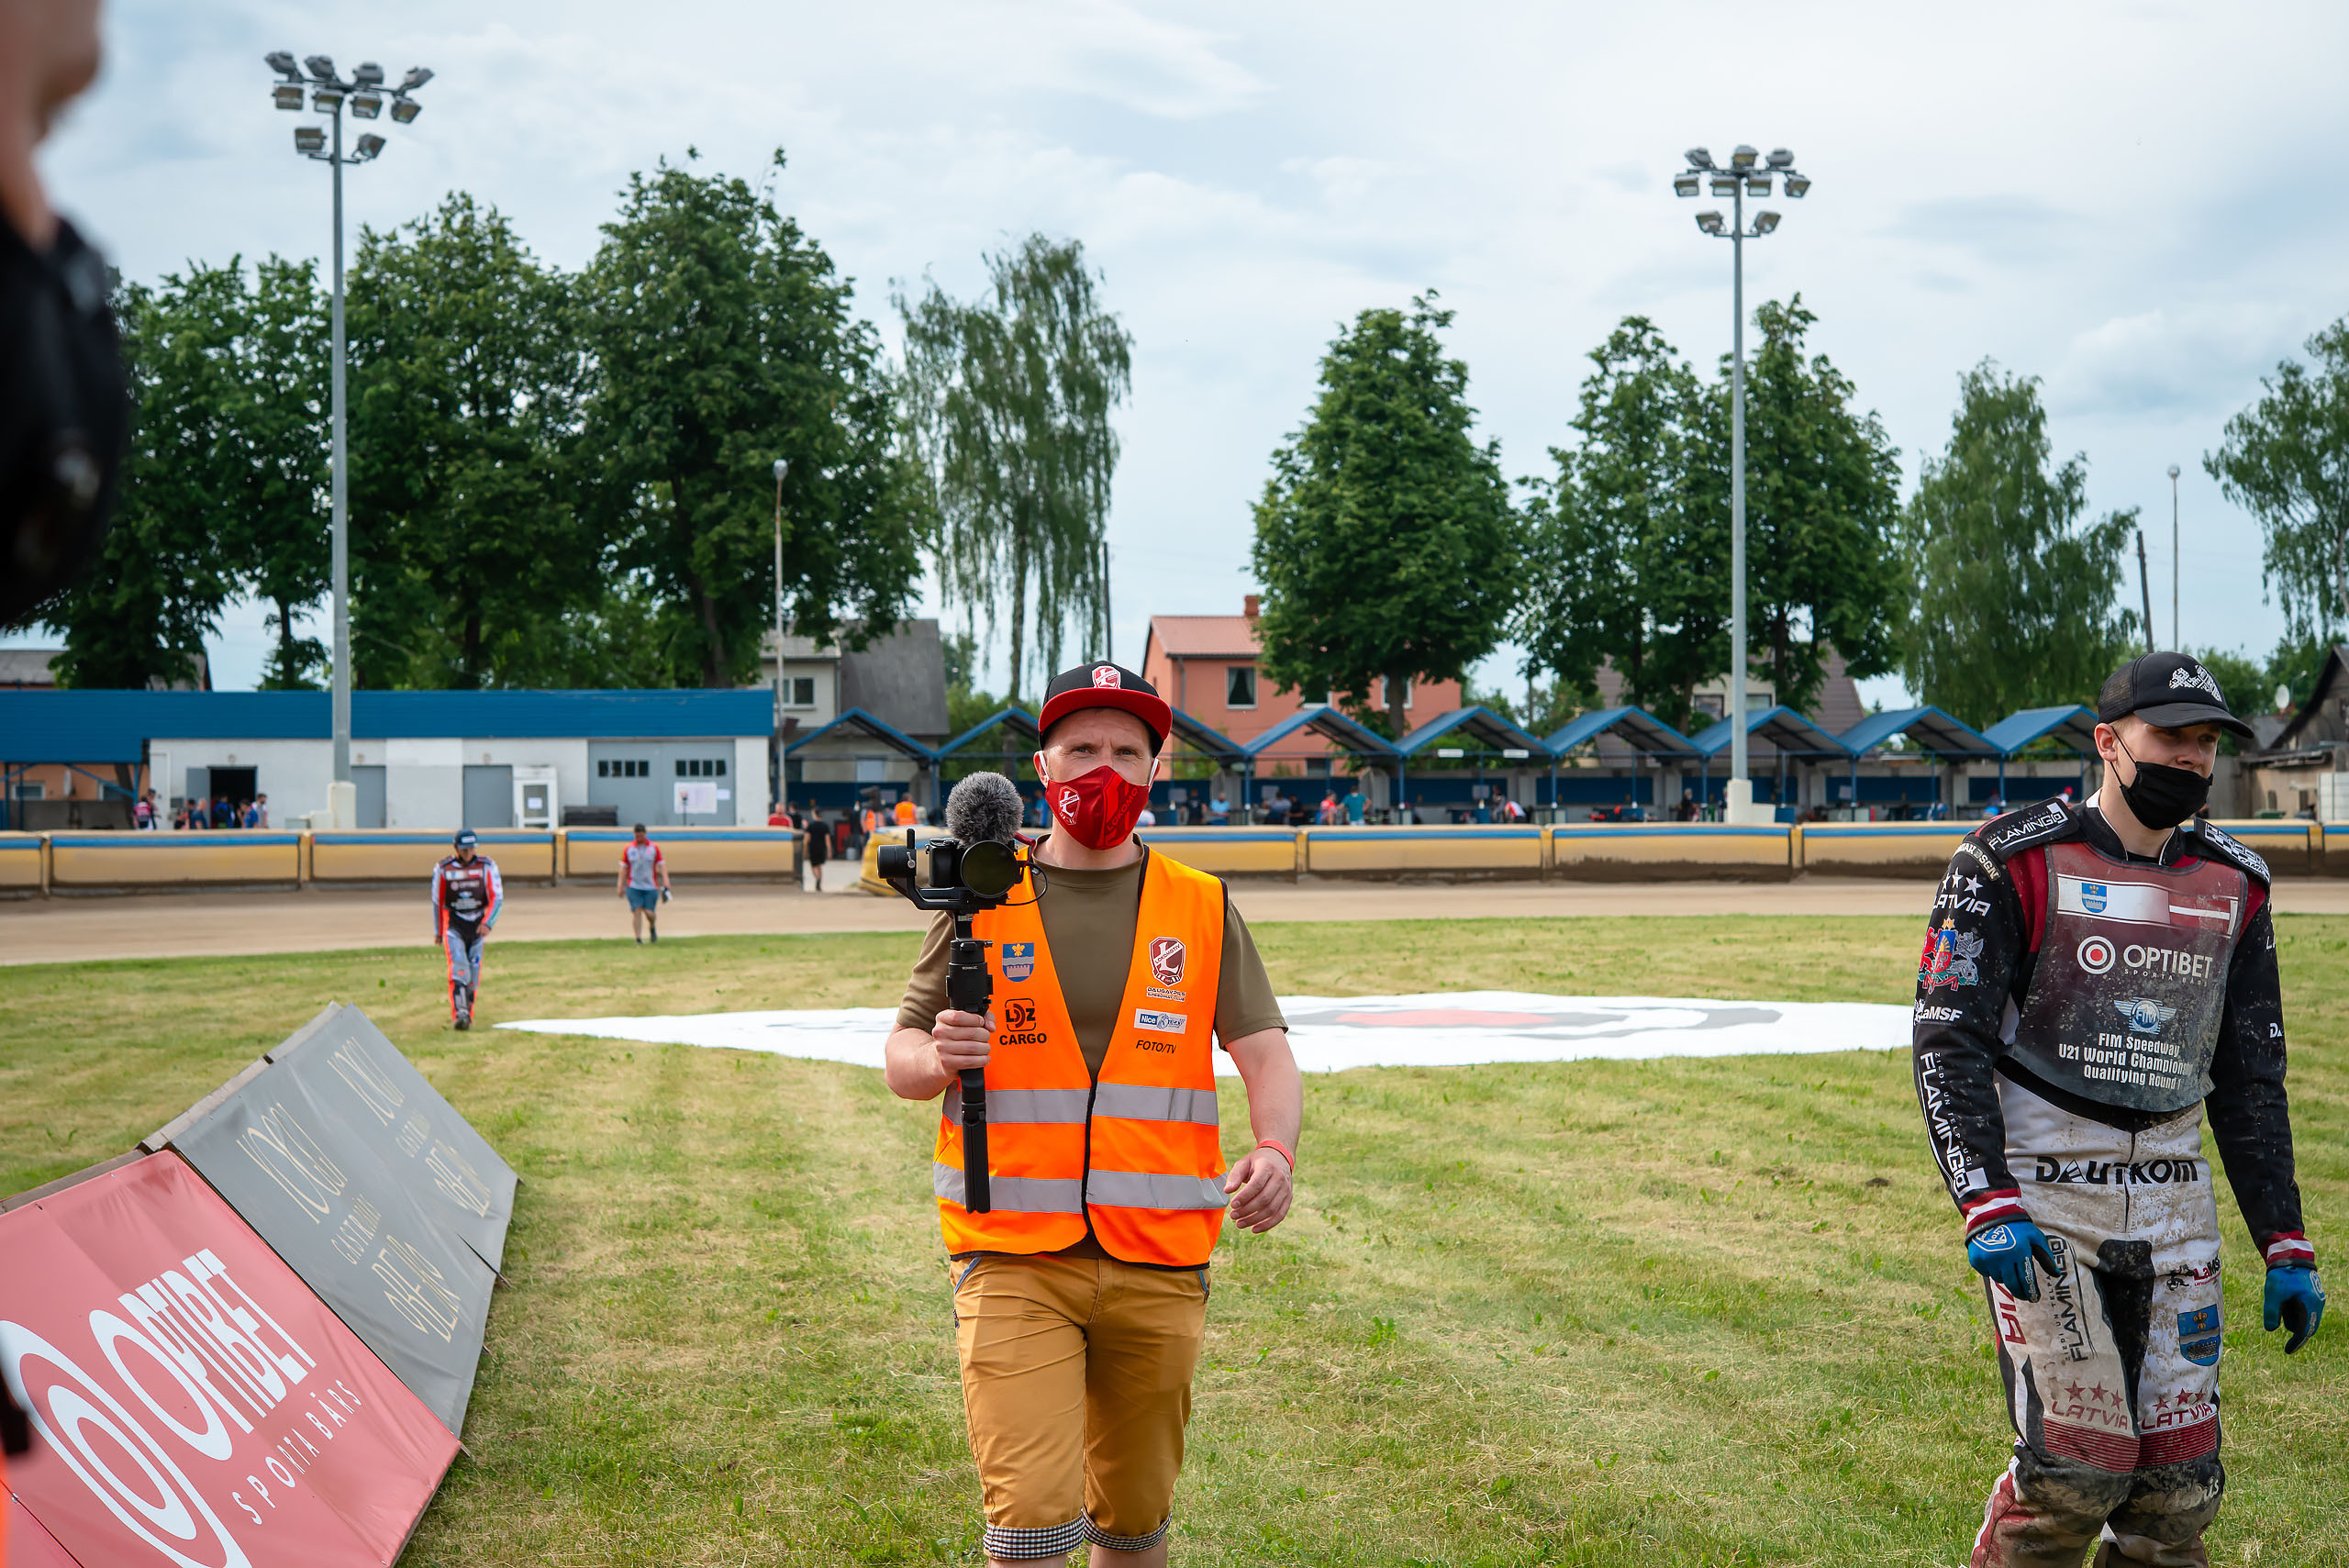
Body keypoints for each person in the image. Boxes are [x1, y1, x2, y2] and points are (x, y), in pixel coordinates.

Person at [884, 661, 1300, 1568]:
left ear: (1156, 770)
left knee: (1133, 1523)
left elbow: (1264, 1048)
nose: (1100, 770)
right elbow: (903, 1055)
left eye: (1125, 750)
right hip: (1010, 1252)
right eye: (1081, 749)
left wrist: (1275, 1148)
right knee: (1029, 1525)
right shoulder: (979, 892)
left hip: (1159, 1255)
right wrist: (936, 1056)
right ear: (1043, 765)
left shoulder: (1198, 903)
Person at [1911, 652, 2323, 1567]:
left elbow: (2252, 1076)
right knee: (2073, 1468)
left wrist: (2283, 1240)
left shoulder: (2236, 883)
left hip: (2178, 1202)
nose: (2189, 758)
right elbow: (1948, 1036)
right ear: (2107, 741)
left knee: (2178, 1492)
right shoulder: (2007, 858)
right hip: (2046, 1202)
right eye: (2168, 736)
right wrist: (1985, 1197)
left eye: (2206, 741)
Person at [430, 828, 503, 1029]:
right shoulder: (443, 868)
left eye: (471, 849)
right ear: (456, 849)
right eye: (464, 849)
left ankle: (468, 1013)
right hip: (455, 925)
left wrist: (488, 923)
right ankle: (460, 1014)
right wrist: (438, 931)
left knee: (473, 972)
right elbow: (437, 901)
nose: (468, 853)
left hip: (478, 927)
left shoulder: (486, 866)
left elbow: (497, 896)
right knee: (459, 968)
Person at [618, 822, 669, 943]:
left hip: (650, 886)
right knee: (636, 911)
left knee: (649, 913)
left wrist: (666, 880)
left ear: (645, 834)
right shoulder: (629, 848)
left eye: (641, 836)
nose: (639, 839)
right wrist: (620, 885)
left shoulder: (653, 848)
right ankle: (638, 938)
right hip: (633, 885)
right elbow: (623, 868)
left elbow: (661, 865)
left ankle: (652, 927)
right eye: (637, 836)